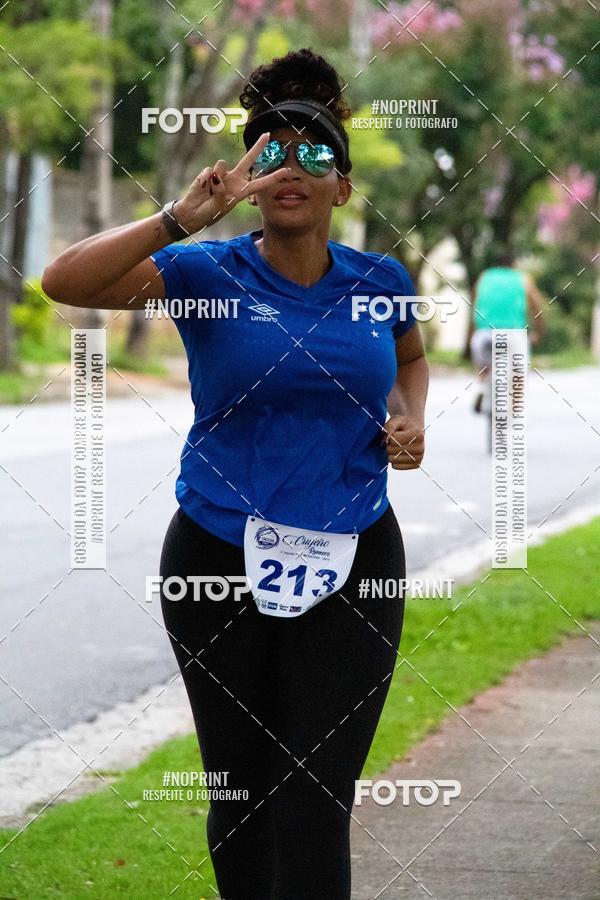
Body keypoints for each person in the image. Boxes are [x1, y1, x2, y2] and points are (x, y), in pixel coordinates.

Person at [42, 48, 428, 900]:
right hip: (215, 552)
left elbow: (410, 355)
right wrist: (178, 218)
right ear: (247, 178)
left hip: (356, 553)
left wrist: (412, 417)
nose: (293, 167)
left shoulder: (380, 281)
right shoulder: (204, 273)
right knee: (243, 794)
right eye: (272, 153)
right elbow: (63, 281)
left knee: (315, 796)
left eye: (316, 154)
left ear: (344, 187)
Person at [468, 253, 545, 413]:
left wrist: (472, 334)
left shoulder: (484, 277)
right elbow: (537, 306)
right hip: (513, 334)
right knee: (518, 372)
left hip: (483, 335)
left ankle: (482, 387)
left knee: (484, 366)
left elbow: (473, 307)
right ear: (514, 265)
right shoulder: (522, 278)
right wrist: (538, 330)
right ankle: (516, 409)